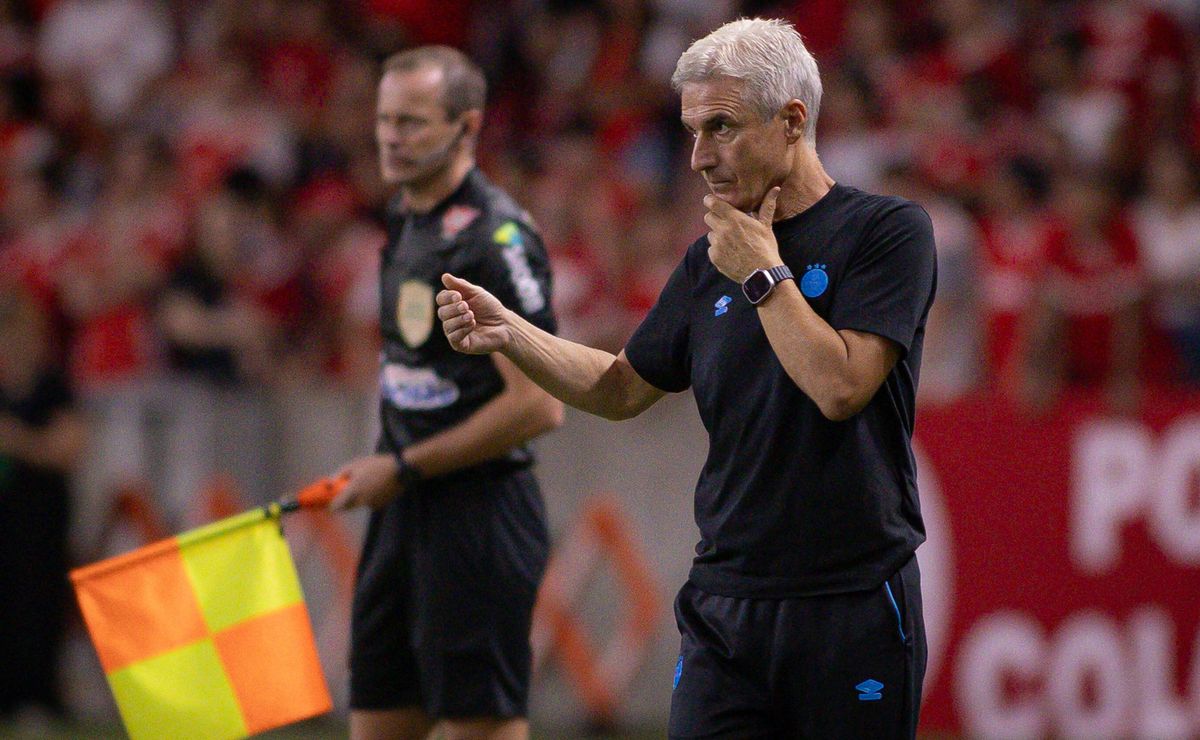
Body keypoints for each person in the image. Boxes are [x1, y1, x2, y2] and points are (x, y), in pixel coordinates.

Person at [437, 18, 936, 739]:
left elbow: (841, 387)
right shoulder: (712, 262)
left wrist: (763, 274)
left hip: (851, 602)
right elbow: (619, 387)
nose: (699, 156)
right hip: (725, 607)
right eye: (692, 132)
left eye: (722, 127)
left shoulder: (886, 233)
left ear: (793, 120)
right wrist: (513, 333)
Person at [328, 46, 563, 740]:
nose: (391, 138)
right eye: (384, 120)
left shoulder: (498, 236)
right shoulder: (404, 220)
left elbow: (538, 405)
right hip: (401, 514)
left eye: (412, 122)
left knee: (478, 726)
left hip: (477, 518)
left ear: (468, 126)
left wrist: (401, 466)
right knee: (376, 719)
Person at [0, 286, 87, 723]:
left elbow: (67, 448)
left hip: (40, 519)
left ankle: (38, 695)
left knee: (38, 606)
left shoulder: (51, 385)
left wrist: (18, 441)